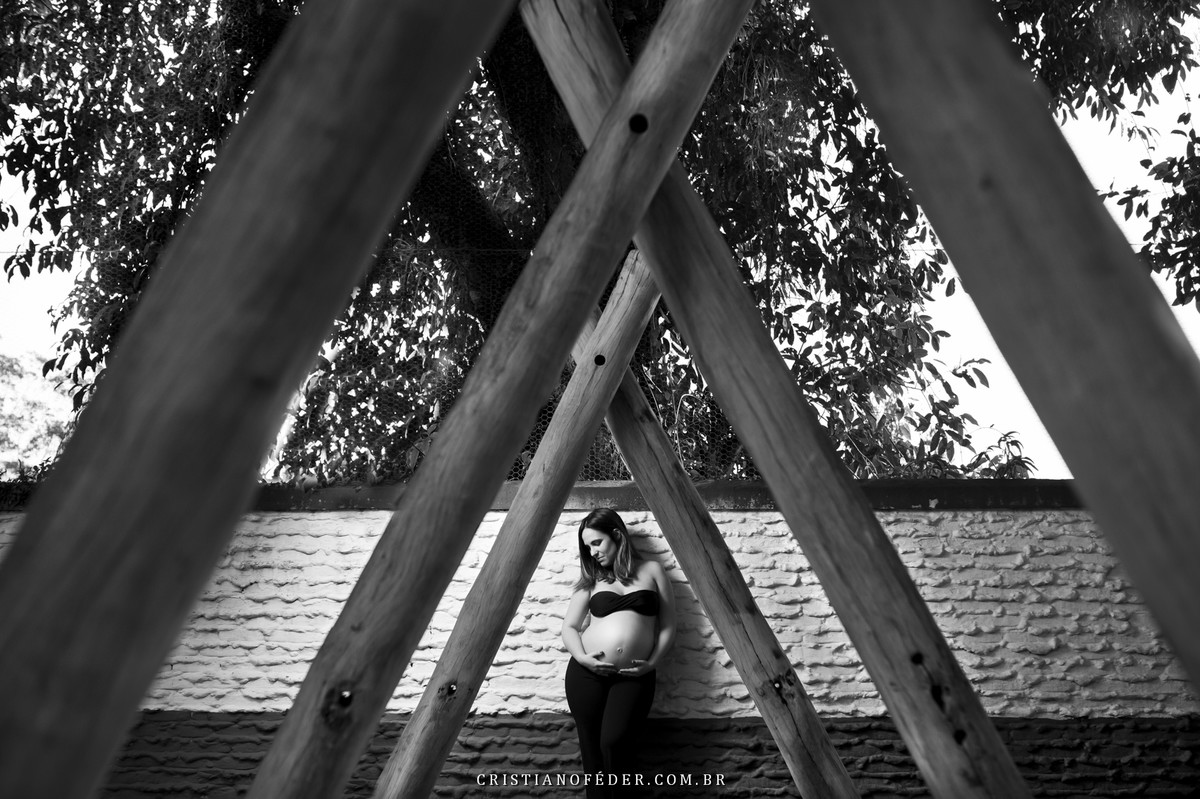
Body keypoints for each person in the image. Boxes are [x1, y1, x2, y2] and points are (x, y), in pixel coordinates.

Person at [562, 508, 675, 797]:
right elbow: (570, 627)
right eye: (587, 547)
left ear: (616, 535)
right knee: (593, 755)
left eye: (596, 543)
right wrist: (582, 658)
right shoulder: (591, 579)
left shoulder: (652, 570)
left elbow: (668, 626)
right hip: (586, 674)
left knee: (614, 743)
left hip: (634, 675)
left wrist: (651, 663)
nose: (592, 552)